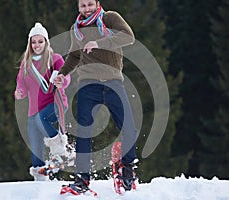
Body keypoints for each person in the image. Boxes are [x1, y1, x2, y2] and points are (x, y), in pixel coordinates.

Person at [55, 0, 138, 192]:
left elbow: (128, 36)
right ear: (78, 7)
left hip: (113, 83)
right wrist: (62, 74)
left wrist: (99, 42)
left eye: (90, 4)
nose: (87, 9)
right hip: (87, 85)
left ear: (97, 3)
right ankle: (82, 180)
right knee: (83, 132)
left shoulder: (110, 18)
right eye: (83, 6)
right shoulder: (76, 29)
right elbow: (75, 55)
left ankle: (126, 170)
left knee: (130, 129)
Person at [14, 22, 71, 181]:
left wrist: (62, 81)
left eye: (40, 41)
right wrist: (19, 93)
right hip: (33, 109)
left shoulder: (55, 59)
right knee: (35, 145)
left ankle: (60, 149)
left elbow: (65, 76)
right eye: (34, 42)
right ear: (29, 44)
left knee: (42, 119)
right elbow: (21, 84)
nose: (37, 45)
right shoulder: (27, 64)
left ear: (46, 42)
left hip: (55, 104)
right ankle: (40, 181)